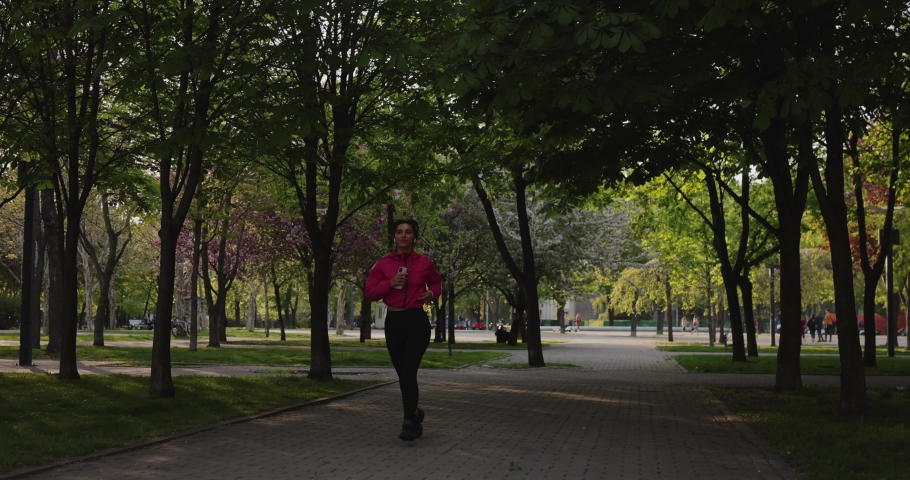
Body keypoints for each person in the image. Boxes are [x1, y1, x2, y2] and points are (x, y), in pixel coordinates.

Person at [365, 219, 441, 442]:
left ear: (414, 236)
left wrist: (432, 294)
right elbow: (370, 293)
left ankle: (409, 421)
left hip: (417, 321)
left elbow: (437, 283)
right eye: (399, 232)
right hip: (394, 322)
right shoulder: (382, 265)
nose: (404, 235)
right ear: (394, 236)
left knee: (408, 372)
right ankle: (416, 413)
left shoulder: (424, 263)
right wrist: (390, 283)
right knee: (403, 375)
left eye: (408, 232)